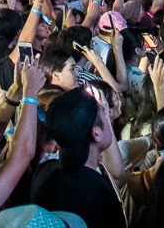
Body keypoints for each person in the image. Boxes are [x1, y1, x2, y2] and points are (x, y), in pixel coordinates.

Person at [30, 89, 128, 228]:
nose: (108, 119)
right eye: (104, 114)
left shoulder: (43, 172)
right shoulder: (99, 197)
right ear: (96, 133)